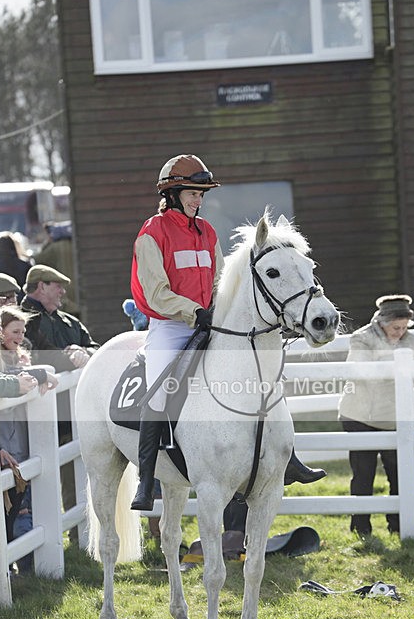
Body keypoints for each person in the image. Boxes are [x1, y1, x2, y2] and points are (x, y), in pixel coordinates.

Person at [129, 153, 325, 511]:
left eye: (201, 194)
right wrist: (193, 311)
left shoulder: (207, 232)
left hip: (210, 320)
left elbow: (222, 281)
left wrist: (222, 312)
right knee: (158, 394)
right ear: (172, 194)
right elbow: (155, 291)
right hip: (171, 327)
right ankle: (145, 481)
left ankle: (287, 458)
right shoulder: (151, 233)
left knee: (261, 377)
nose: (197, 200)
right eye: (191, 193)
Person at [20, 263, 99, 524]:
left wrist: (85, 352)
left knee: (76, 477)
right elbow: (37, 353)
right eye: (58, 286)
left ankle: (80, 539)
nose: (63, 291)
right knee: (37, 480)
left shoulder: (69, 321)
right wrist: (71, 358)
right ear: (41, 286)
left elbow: (95, 348)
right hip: (38, 418)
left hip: (74, 412)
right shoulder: (22, 320)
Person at [338, 295, 414, 535]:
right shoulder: (362, 339)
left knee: (399, 473)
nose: (400, 332)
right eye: (396, 327)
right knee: (363, 473)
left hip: (398, 416)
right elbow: (361, 373)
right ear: (383, 322)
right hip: (361, 417)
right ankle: (361, 527)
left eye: (404, 327)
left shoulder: (411, 340)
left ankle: (398, 526)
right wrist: (399, 370)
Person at [0, 305, 58, 573]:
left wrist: (37, 373)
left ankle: (17, 566)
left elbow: (1, 378)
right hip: (6, 441)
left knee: (15, 502)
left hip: (11, 441)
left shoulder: (2, 354)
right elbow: (1, 382)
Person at [34, 221, 79, 315]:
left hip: (65, 288)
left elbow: (38, 259)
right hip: (79, 287)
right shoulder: (76, 244)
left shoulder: (55, 247)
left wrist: (47, 243)